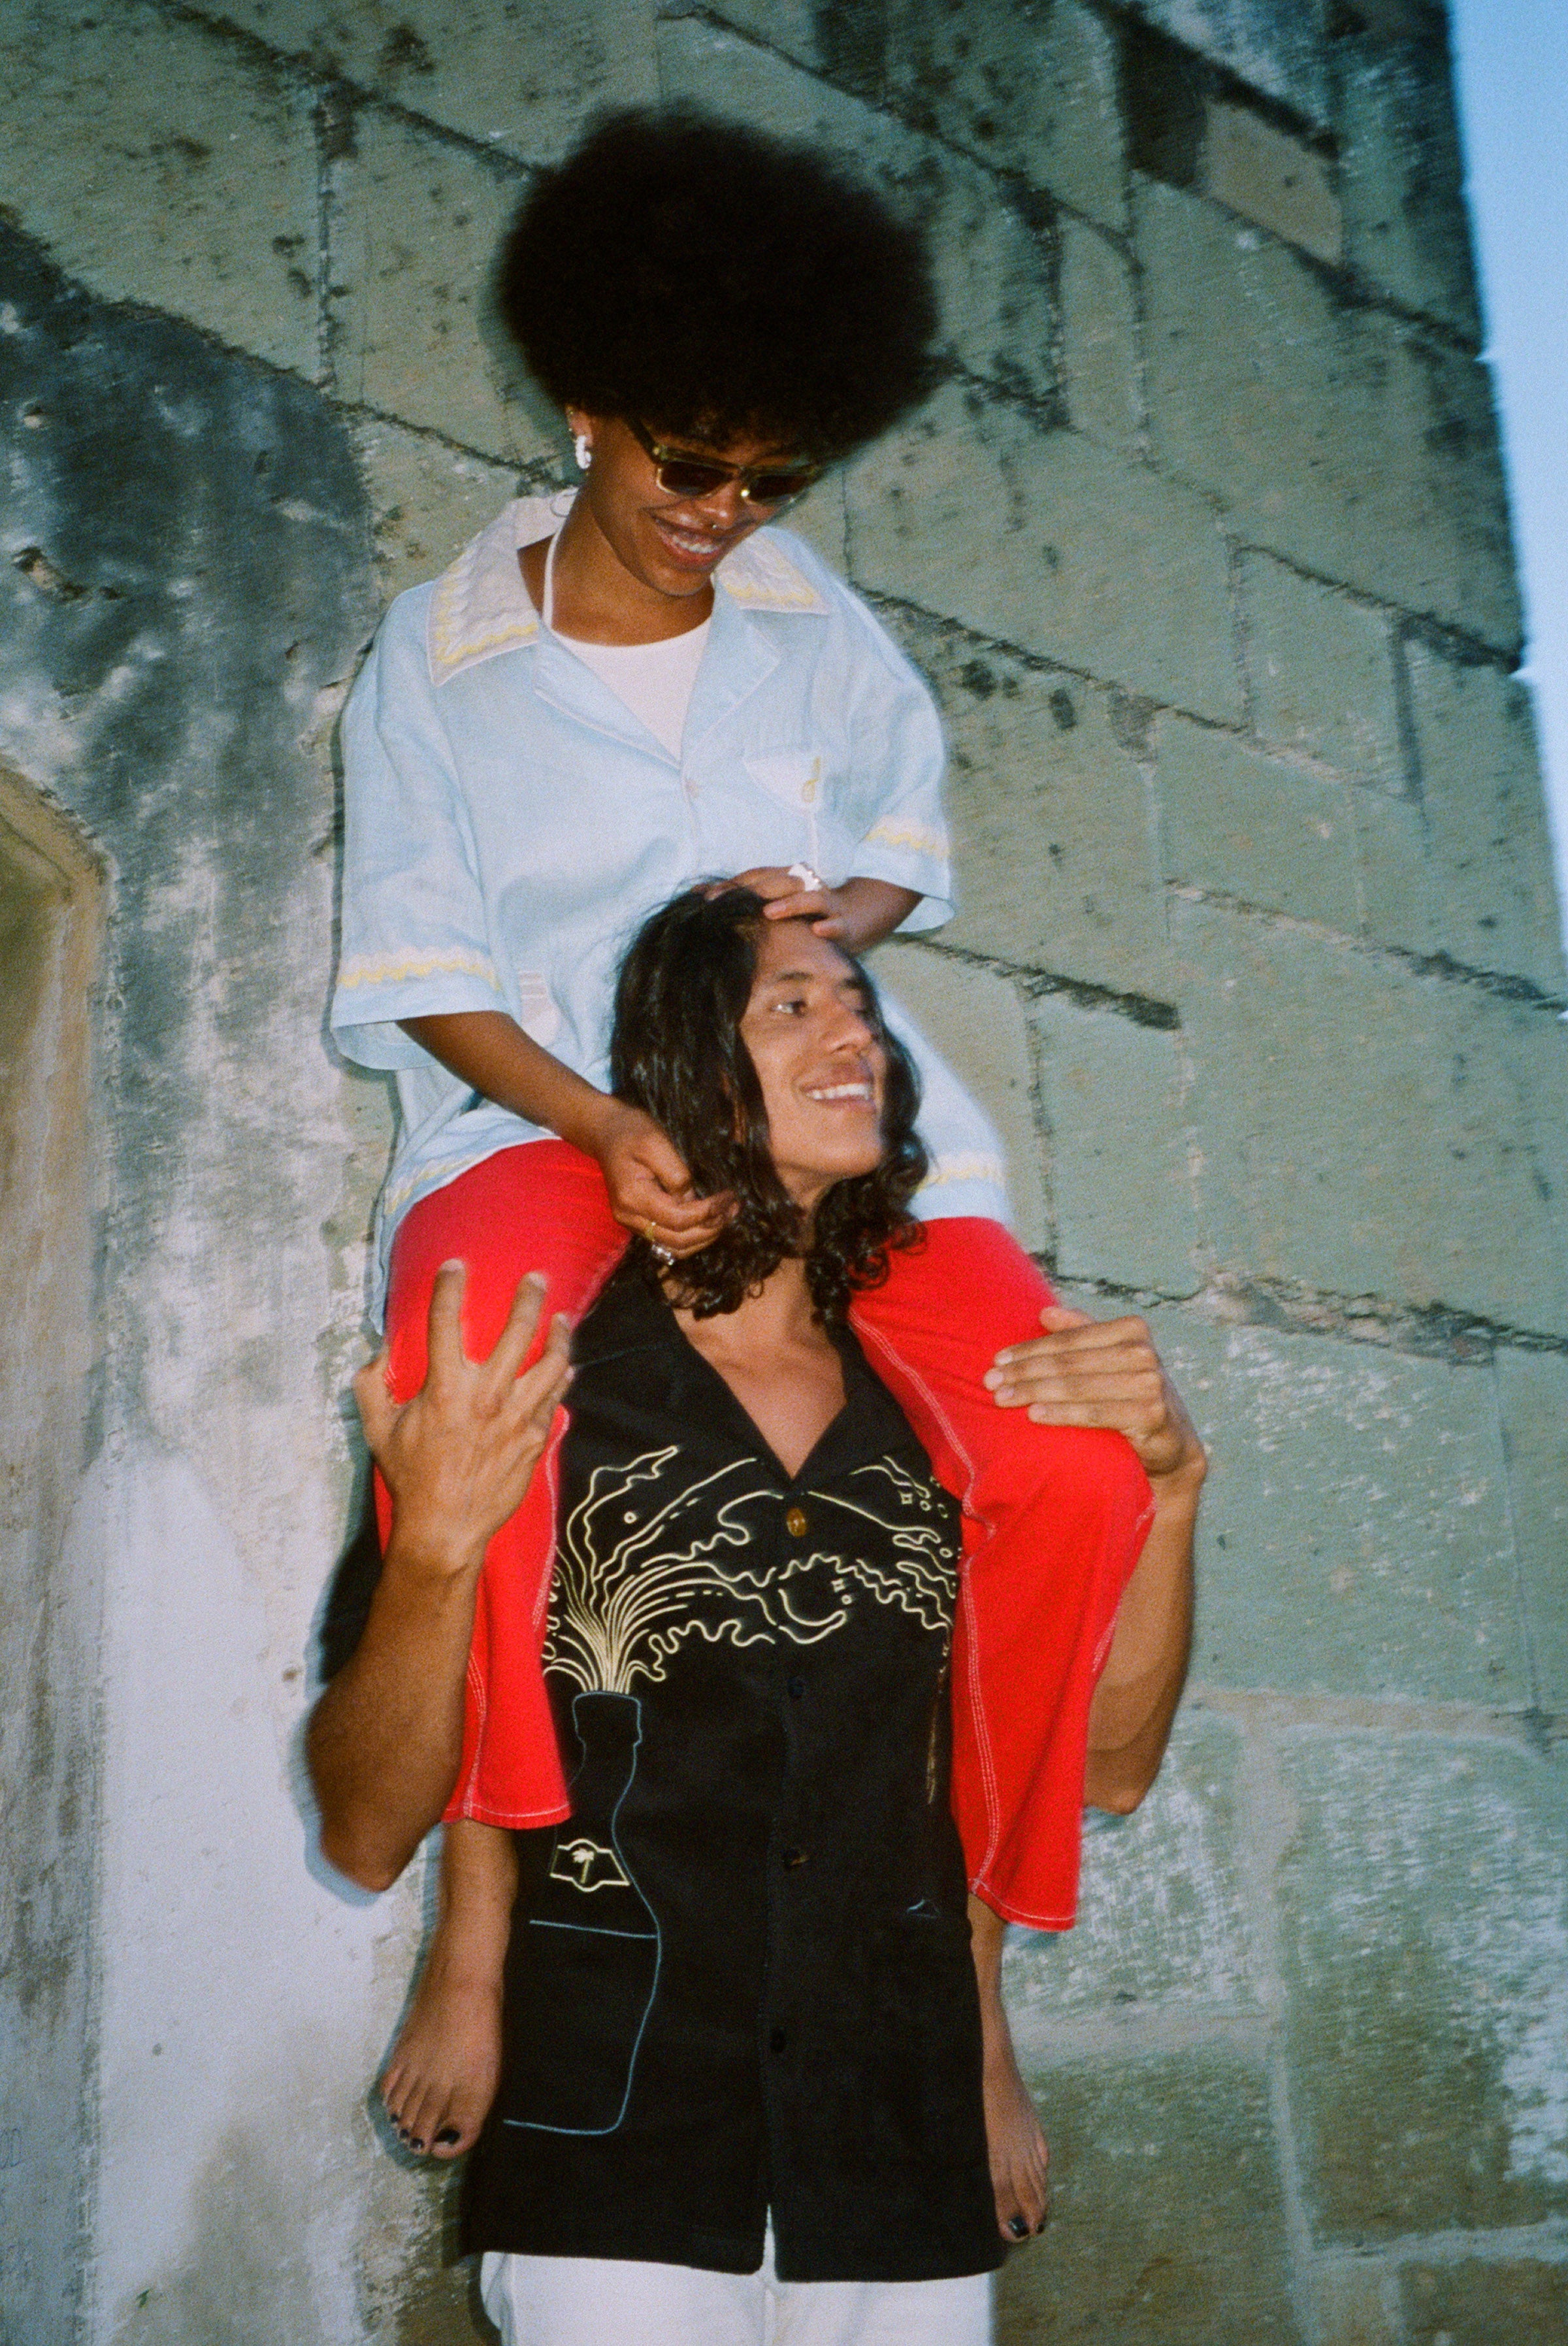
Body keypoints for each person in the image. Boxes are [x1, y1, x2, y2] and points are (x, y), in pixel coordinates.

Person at [329, 105, 1157, 1957]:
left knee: (1072, 1462)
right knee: (469, 1403)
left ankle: (983, 1914)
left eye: (774, 480)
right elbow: (422, 965)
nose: (723, 513)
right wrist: (604, 1124)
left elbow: (896, 853)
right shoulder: (439, 660)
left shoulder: (812, 620)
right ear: (589, 404)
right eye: (690, 460)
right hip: (542, 1125)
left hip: (834, 1135)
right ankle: (488, 1891)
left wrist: (805, 931)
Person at [310, 891, 1203, 2344]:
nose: (856, 1032)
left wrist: (1173, 1490)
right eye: (792, 1004)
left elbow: (1096, 1762)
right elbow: (365, 1821)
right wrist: (438, 1551)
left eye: (861, 1007)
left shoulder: (959, 1403)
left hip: (896, 2121)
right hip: (616, 2110)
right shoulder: (539, 1378)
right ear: (686, 1065)